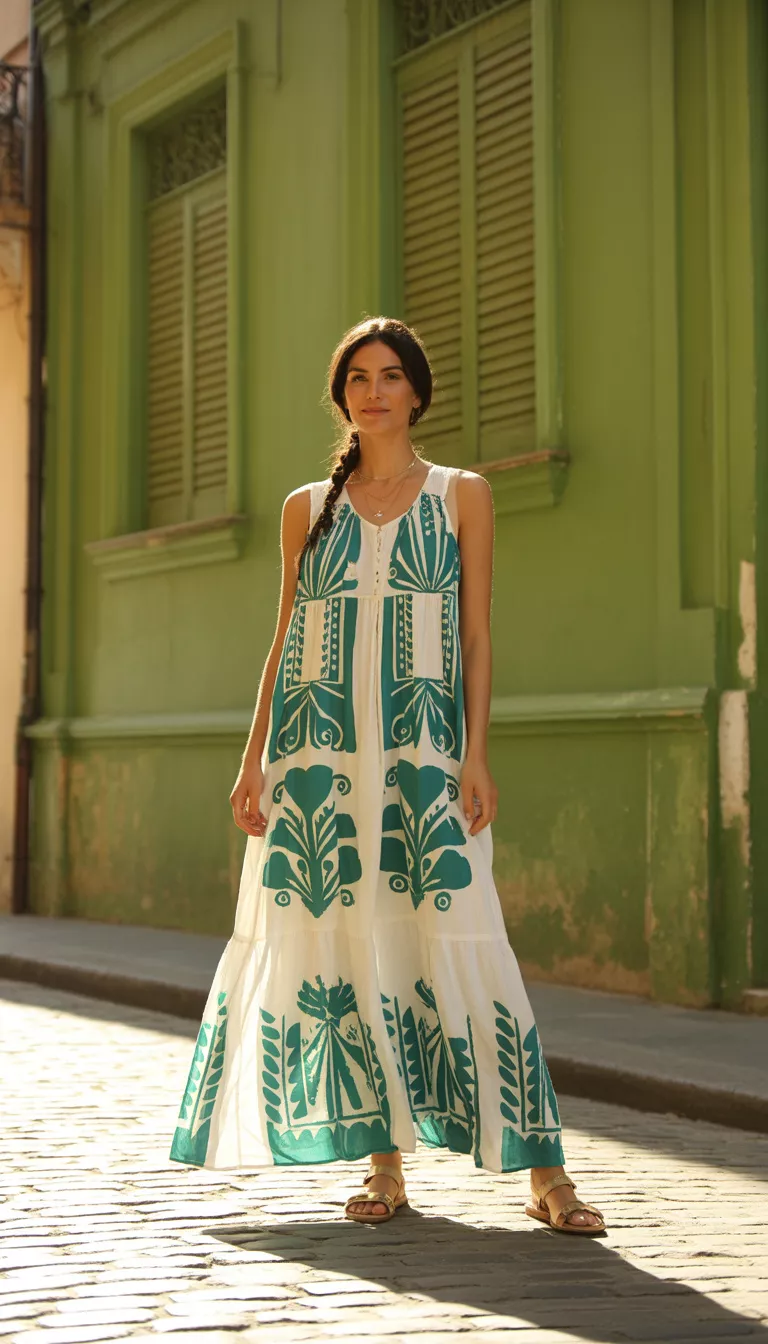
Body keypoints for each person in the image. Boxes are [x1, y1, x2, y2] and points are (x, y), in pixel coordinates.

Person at [169, 316, 605, 1235]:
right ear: (344, 397)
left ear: (417, 392)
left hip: (421, 757)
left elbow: (478, 637)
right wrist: (253, 760)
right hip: (317, 762)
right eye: (358, 377)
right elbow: (285, 642)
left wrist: (474, 752)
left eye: (391, 375)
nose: (374, 390)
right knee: (344, 945)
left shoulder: (461, 497)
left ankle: (544, 1173)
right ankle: (384, 1166)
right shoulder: (306, 509)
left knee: (467, 932)